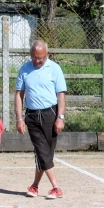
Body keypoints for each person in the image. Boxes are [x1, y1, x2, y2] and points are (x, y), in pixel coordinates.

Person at [15, 40, 67, 199]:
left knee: (46, 153)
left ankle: (34, 186)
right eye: (34, 57)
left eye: (41, 58)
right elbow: (19, 95)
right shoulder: (24, 70)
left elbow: (61, 95)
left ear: (47, 54)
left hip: (50, 113)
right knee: (41, 150)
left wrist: (60, 117)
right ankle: (56, 187)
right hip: (32, 116)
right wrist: (19, 118)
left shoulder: (55, 69)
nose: (37, 61)